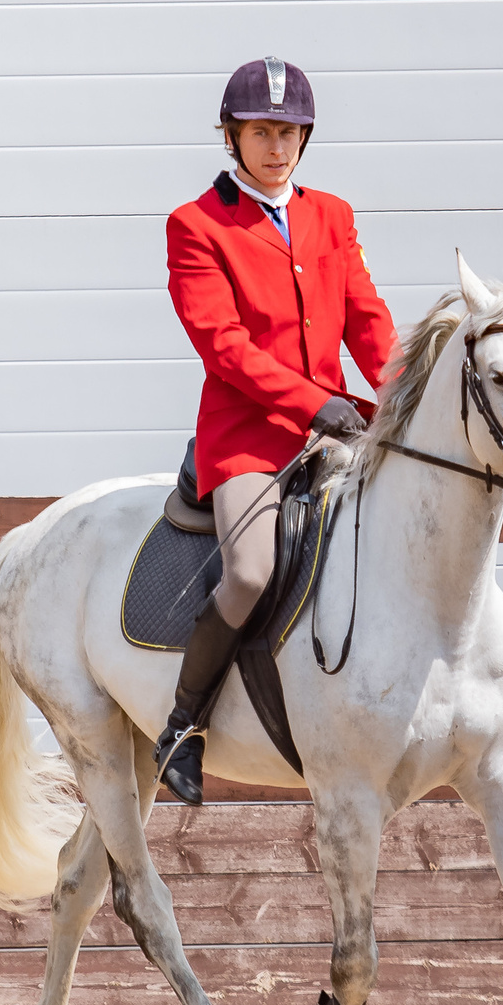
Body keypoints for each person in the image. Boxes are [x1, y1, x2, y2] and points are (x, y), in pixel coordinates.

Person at [153, 57, 399, 804]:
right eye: (261, 131)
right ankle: (183, 725)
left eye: (289, 132)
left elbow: (367, 320)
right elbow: (224, 347)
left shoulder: (334, 216)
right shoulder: (196, 226)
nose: (276, 147)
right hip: (249, 437)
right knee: (254, 571)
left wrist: (398, 396)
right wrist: (312, 403)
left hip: (332, 428)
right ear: (231, 136)